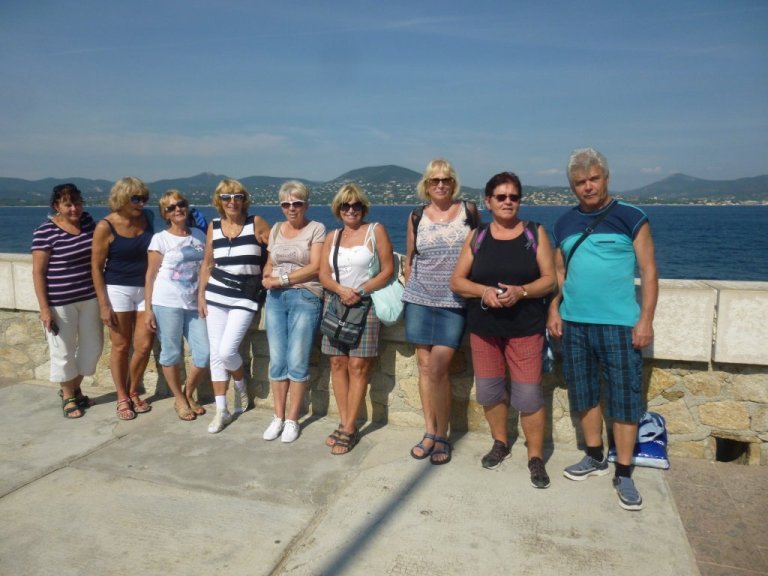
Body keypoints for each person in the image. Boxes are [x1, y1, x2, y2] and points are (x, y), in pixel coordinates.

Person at [547, 148, 658, 510]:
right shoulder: (563, 223)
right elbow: (559, 272)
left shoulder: (632, 217)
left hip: (620, 324)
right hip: (575, 323)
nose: (588, 187)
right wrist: (554, 308)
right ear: (572, 186)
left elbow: (649, 271)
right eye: (580, 182)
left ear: (606, 178)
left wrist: (645, 320)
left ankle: (623, 472)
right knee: (584, 393)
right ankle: (595, 456)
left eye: (594, 179)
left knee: (624, 399)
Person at [450, 172, 556, 488]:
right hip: (485, 329)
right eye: (501, 197)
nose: (508, 202)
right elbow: (457, 281)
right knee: (490, 391)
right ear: (488, 201)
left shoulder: (534, 232)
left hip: (526, 329)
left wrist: (521, 291)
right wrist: (483, 291)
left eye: (513, 197)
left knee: (529, 395)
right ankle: (500, 442)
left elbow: (549, 279)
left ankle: (535, 457)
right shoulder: (478, 236)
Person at [402, 158, 480, 465]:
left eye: (446, 179)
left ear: (453, 182)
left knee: (439, 368)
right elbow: (410, 259)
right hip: (420, 298)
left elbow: (480, 251)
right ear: (426, 184)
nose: (440, 184)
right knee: (424, 366)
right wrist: (410, 287)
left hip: (454, 300)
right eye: (434, 180)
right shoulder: (416, 215)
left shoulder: (468, 211)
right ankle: (430, 432)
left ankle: (443, 434)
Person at [318, 183, 394, 454]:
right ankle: (344, 422)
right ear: (338, 209)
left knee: (358, 366)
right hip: (336, 303)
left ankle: (350, 428)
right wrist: (341, 291)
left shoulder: (376, 231)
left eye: (356, 205)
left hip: (365, 304)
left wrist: (359, 291)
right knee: (337, 363)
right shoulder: (332, 236)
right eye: (345, 205)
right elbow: (323, 274)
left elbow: (387, 270)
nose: (351, 210)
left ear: (364, 208)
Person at [198, 179, 270, 434]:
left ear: (244, 200)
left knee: (227, 350)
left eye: (237, 196)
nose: (232, 202)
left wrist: (268, 271)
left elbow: (276, 248)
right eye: (226, 197)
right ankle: (221, 410)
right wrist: (201, 296)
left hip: (245, 296)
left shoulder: (256, 223)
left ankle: (240, 384)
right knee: (216, 354)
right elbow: (208, 263)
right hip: (216, 293)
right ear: (219, 201)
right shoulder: (214, 226)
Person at [260, 181, 325, 443]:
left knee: (297, 360)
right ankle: (277, 416)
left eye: (297, 203)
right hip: (275, 298)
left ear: (306, 205)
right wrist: (267, 276)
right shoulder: (276, 229)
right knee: (277, 359)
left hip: (304, 296)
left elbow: (316, 266)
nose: (291, 208)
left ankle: (292, 419)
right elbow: (270, 261)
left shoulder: (316, 228)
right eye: (286, 204)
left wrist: (282, 280)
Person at [32, 184, 104, 418]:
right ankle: (69, 396)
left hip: (90, 297)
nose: (74, 209)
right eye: (68, 204)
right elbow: (38, 272)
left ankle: (74, 389)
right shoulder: (45, 231)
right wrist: (44, 308)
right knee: (63, 351)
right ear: (57, 206)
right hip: (60, 302)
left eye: (77, 203)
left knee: (93, 348)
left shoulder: (87, 222)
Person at [92, 177, 155, 421]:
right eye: (136, 198)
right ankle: (121, 396)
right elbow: (96, 268)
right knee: (120, 345)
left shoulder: (148, 218)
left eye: (144, 198)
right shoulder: (105, 226)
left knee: (144, 345)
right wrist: (103, 304)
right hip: (117, 289)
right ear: (122, 198)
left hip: (145, 289)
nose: (141, 203)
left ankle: (133, 390)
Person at [144, 190, 209, 421]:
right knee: (171, 353)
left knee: (204, 354)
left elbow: (207, 267)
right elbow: (150, 275)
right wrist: (148, 310)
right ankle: (179, 399)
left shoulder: (200, 235)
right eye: (171, 207)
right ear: (165, 214)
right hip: (166, 302)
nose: (177, 209)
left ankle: (188, 392)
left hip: (193, 303)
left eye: (181, 204)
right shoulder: (160, 239)